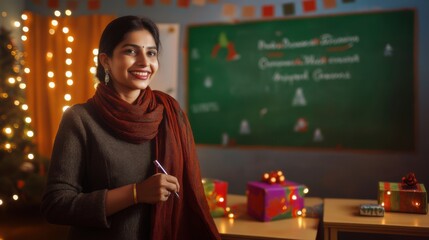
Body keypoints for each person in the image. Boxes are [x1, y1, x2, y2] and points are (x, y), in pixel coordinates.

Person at [41, 15, 221, 240]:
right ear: (106, 61)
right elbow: (56, 205)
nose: (145, 62)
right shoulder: (80, 119)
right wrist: (136, 193)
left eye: (151, 52)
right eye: (131, 51)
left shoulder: (169, 113)